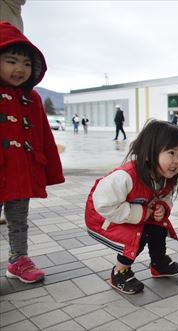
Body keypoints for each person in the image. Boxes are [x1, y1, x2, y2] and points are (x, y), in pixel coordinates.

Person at [85, 120, 178, 294]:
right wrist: (139, 213)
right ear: (148, 153)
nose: (177, 161)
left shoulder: (163, 177)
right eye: (171, 152)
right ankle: (120, 272)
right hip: (104, 218)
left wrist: (162, 206)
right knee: (139, 235)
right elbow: (103, 204)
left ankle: (159, 263)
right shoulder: (125, 177)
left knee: (158, 227)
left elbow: (166, 196)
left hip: (132, 214)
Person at [0, 21, 65, 283]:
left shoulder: (33, 98)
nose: (19, 69)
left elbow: (44, 137)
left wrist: (49, 169)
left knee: (19, 220)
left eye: (26, 64)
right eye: (11, 60)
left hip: (20, 174)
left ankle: (18, 260)